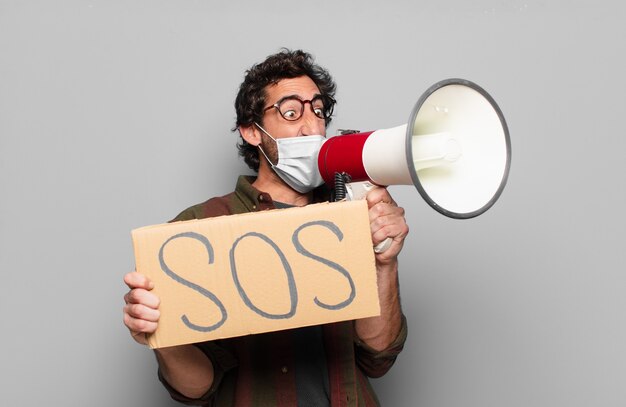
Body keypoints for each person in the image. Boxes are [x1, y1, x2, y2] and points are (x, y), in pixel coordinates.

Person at [123, 49, 409, 407]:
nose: (311, 127)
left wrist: (385, 263)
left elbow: (378, 356)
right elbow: (195, 389)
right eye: (291, 112)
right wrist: (160, 332)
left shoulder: (350, 216)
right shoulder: (198, 228)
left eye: (318, 111)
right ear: (251, 131)